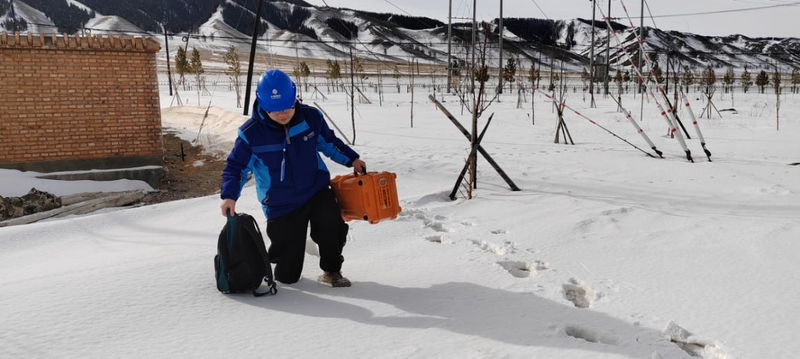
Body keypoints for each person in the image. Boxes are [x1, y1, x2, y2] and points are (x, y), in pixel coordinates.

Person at [220, 69, 366, 288]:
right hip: (280, 202)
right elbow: (236, 167)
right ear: (262, 104)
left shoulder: (310, 117)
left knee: (332, 226)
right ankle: (286, 277)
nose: (283, 113)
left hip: (315, 190)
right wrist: (229, 196)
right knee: (288, 272)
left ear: (295, 97)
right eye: (275, 109)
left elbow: (329, 142)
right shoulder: (251, 134)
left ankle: (332, 270)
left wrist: (351, 159)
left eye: (288, 106)